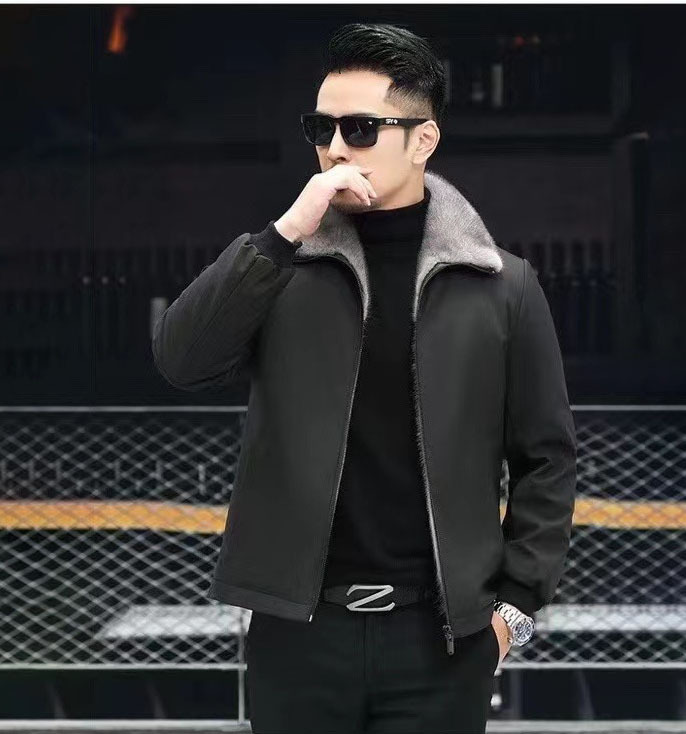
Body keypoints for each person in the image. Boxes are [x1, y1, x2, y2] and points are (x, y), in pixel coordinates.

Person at [152, 22, 577, 734]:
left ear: (423, 140)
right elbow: (181, 359)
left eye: (360, 128)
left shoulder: (502, 286)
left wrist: (513, 611)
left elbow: (547, 459)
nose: (335, 148)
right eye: (320, 128)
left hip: (442, 641)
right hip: (299, 635)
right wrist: (285, 232)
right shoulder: (282, 269)